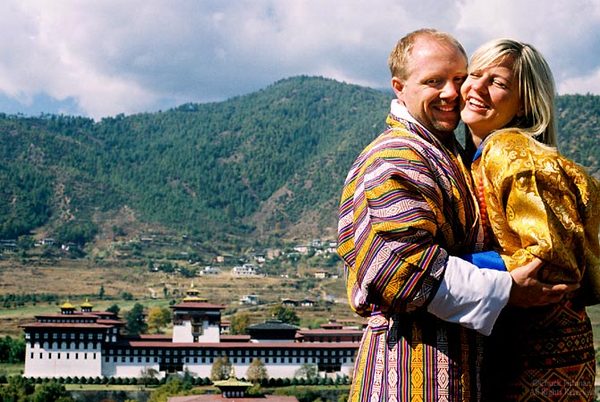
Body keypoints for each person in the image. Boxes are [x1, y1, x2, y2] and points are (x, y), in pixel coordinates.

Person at [337, 29, 574, 401]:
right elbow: (400, 271)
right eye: (434, 82)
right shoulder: (397, 157)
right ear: (399, 87)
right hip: (409, 374)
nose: (452, 93)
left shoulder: (449, 154)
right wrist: (508, 285)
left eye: (458, 79)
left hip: (460, 369)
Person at [460, 38, 600, 401]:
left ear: (525, 104)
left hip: (537, 359)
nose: (477, 87)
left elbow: (553, 261)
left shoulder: (510, 151)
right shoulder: (478, 155)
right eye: (474, 75)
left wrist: (453, 268)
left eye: (498, 82)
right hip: (535, 349)